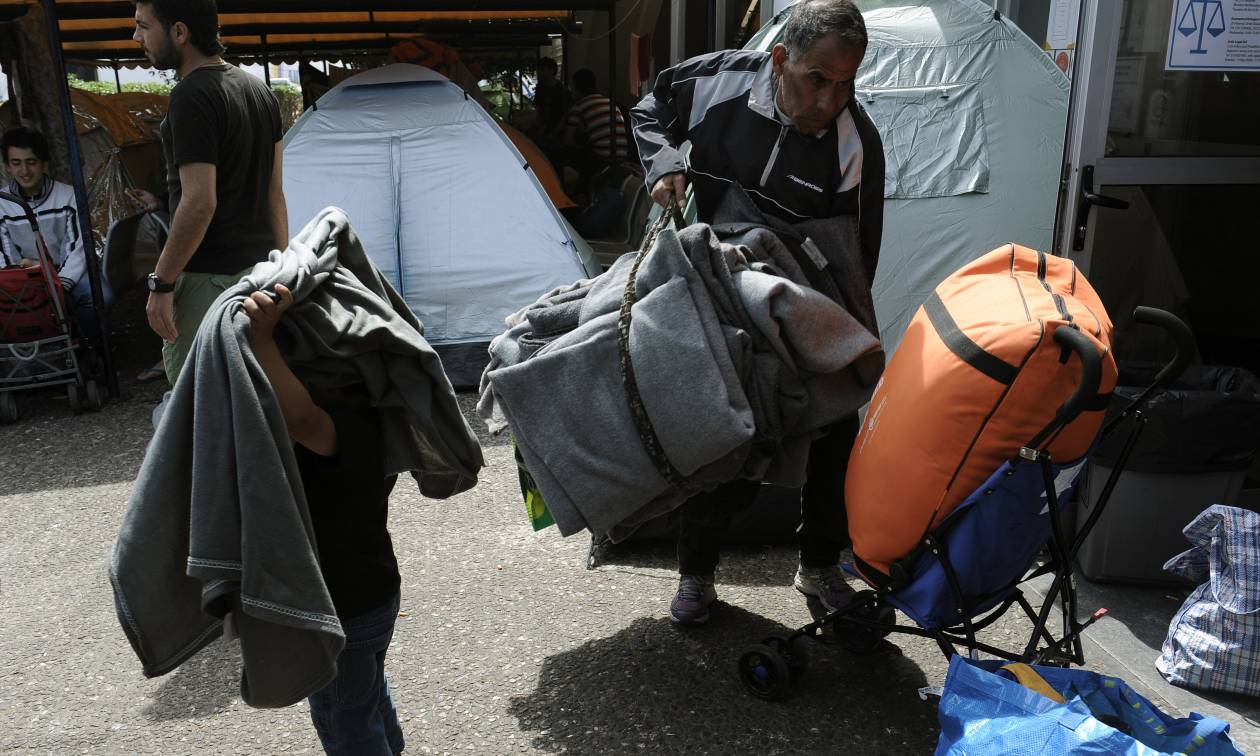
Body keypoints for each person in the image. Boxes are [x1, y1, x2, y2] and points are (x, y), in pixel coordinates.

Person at [629, 0, 885, 625]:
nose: (830, 99)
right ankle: (696, 573)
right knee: (723, 427)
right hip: (712, 280)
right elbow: (649, 108)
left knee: (835, 428)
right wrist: (665, 166)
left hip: (799, 295)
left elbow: (856, 260)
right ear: (780, 60)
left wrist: (837, 353)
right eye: (816, 79)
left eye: (845, 82)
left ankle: (820, 565)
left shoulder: (854, 145)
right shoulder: (717, 83)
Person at [241, 284, 404, 755]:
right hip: (376, 596)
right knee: (368, 697)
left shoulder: (333, 427)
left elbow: (301, 418)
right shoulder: (376, 412)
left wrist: (263, 339)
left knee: (344, 720)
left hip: (342, 614)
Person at [131, 0, 287, 386]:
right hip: (259, 276)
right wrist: (284, 270)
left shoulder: (191, 96)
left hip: (209, 283)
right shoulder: (259, 91)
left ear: (180, 33)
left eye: (143, 26)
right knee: (260, 399)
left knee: (205, 411)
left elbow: (199, 201)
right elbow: (275, 193)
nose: (136, 37)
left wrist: (162, 282)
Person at [0, 126, 112, 348]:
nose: (24, 170)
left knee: (101, 297)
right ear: (8, 167)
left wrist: (60, 282)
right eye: (16, 163)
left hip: (67, 275)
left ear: (44, 164)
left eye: (31, 162)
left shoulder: (68, 196)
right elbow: (4, 256)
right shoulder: (2, 205)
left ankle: (87, 346)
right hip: (22, 279)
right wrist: (24, 277)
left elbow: (80, 248)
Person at [563, 68, 631, 187]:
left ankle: (580, 190)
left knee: (570, 158)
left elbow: (567, 140)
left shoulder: (578, 106)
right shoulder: (611, 103)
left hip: (603, 159)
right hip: (624, 155)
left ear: (576, 88)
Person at [532, 57, 571, 141]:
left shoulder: (562, 90)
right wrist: (540, 129)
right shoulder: (540, 88)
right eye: (538, 70)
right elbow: (539, 110)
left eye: (542, 70)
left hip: (558, 135)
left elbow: (565, 117)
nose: (538, 73)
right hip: (543, 132)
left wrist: (552, 135)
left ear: (552, 70)